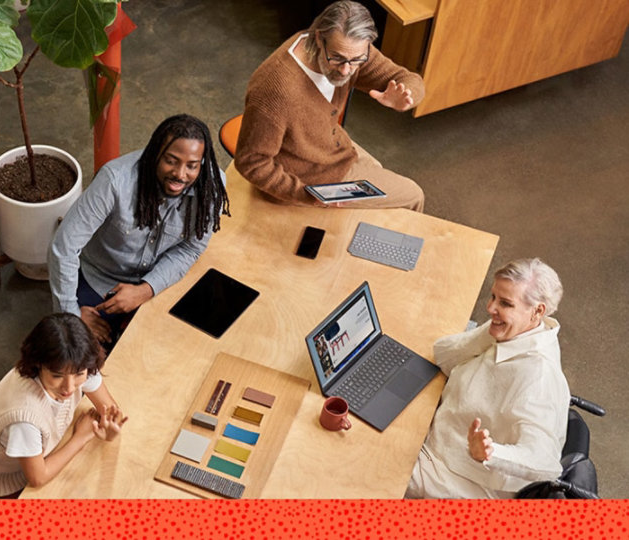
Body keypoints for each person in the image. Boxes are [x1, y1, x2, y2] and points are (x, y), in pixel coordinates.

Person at [49, 114, 230, 346]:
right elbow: (64, 248)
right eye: (171, 160)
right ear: (155, 152)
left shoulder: (211, 187)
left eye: (192, 166)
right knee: (81, 358)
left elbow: (190, 249)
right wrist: (71, 317)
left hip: (158, 283)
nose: (180, 174)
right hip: (100, 281)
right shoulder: (114, 181)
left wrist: (145, 290)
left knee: (182, 348)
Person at [234, 1, 425, 211]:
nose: (346, 70)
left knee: (376, 170)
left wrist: (407, 96)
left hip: (334, 150)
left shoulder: (352, 50)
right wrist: (306, 194)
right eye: (337, 58)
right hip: (308, 179)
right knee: (413, 196)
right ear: (318, 37)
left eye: (356, 60)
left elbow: (407, 78)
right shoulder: (276, 90)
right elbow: (251, 162)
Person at [406, 258, 570, 498]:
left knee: (371, 463)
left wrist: (491, 453)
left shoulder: (538, 377)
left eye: (505, 303)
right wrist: (488, 334)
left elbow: (546, 463)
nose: (491, 308)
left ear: (538, 311)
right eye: (493, 297)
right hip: (440, 433)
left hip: (456, 475)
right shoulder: (517, 329)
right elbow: (443, 354)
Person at [0, 313, 127, 498]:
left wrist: (111, 428)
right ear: (38, 364)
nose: (69, 387)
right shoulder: (24, 419)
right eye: (57, 376)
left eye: (79, 374)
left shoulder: (75, 363)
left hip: (13, 456)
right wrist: (80, 438)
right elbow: (38, 477)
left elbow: (109, 409)